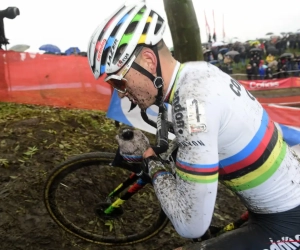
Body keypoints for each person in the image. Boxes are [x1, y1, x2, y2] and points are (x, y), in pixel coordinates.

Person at [87, 1, 300, 249]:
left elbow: (190, 225)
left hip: (285, 223)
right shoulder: (197, 72)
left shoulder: (193, 105)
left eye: (118, 82)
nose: (121, 93)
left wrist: (148, 157)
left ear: (147, 60)